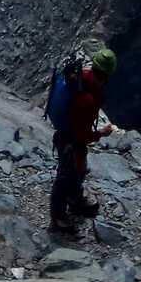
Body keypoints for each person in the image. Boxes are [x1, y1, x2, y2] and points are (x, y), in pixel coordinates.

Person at [49, 48, 117, 233]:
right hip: (70, 140)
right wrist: (101, 133)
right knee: (66, 176)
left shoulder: (82, 77)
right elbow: (82, 135)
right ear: (108, 75)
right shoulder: (86, 99)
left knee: (78, 169)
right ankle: (58, 218)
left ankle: (75, 197)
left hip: (65, 135)